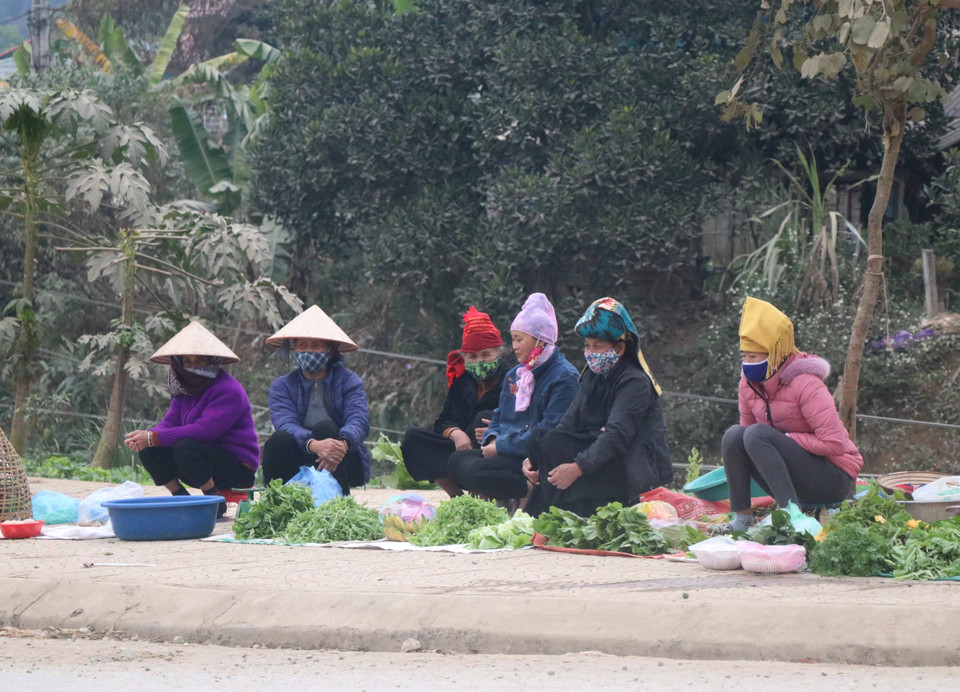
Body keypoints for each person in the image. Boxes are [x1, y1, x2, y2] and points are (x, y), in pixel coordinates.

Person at [721, 296, 863, 532]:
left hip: (833, 478)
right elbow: (745, 442)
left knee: (757, 434)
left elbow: (835, 443)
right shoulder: (748, 385)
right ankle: (742, 520)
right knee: (735, 435)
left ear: (775, 354)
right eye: (744, 356)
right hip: (789, 477)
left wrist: (788, 439)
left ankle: (791, 519)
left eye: (754, 357)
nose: (747, 363)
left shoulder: (806, 384)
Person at [523, 298, 673, 518]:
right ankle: (554, 513)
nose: (590, 352)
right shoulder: (592, 376)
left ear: (620, 348)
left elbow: (616, 436)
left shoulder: (635, 382)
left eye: (598, 346)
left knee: (558, 451)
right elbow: (567, 424)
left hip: (630, 464)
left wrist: (576, 468)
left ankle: (558, 514)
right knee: (540, 437)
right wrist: (535, 459)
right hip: (600, 452)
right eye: (587, 345)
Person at [448, 293, 579, 505]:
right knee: (457, 461)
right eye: (513, 339)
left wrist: (501, 445)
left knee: (478, 470)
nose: (515, 346)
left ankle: (523, 496)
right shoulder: (516, 374)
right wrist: (492, 438)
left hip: (533, 456)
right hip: (505, 449)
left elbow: (551, 432)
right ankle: (510, 498)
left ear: (540, 340)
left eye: (519, 339)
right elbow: (499, 415)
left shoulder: (564, 377)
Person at [127, 321, 260, 517]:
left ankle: (213, 500)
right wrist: (146, 437)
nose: (194, 367)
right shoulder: (184, 392)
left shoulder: (229, 390)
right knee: (151, 449)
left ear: (212, 361)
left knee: (185, 445)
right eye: (188, 362)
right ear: (179, 365)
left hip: (236, 468)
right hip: (200, 461)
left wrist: (153, 437)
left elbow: (205, 431)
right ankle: (181, 497)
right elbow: (168, 424)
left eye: (200, 361)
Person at [261, 305, 371, 495]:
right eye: (302, 345)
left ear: (329, 351)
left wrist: (340, 445)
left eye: (315, 345)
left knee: (325, 428)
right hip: (300, 452)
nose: (308, 351)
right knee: (278, 439)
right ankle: (278, 502)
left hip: (342, 457)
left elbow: (358, 420)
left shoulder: (349, 380)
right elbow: (285, 423)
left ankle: (337, 502)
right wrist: (314, 445)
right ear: (294, 349)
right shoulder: (282, 386)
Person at [401, 306, 508, 497]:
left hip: (493, 451)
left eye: (486, 355)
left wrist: (497, 430)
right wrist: (455, 433)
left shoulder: (512, 379)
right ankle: (456, 496)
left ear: (499, 353)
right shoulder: (462, 381)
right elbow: (444, 419)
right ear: (465, 358)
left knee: (483, 417)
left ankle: (481, 496)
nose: (480, 362)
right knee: (413, 438)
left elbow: (523, 418)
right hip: (460, 447)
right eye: (473, 356)